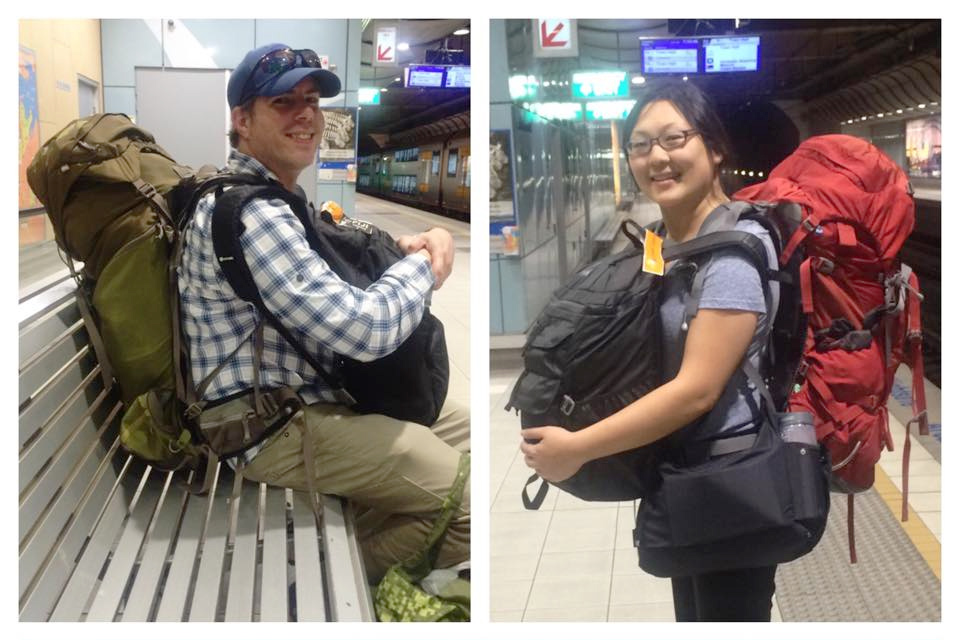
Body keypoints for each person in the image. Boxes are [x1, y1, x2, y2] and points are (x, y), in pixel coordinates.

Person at [178, 43, 469, 584]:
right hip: (263, 427)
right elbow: (365, 330)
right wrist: (427, 266)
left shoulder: (275, 197)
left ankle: (375, 544)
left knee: (463, 428)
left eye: (312, 100)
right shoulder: (252, 215)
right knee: (465, 497)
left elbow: (335, 275)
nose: (306, 114)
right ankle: (320, 587)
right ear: (242, 120)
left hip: (302, 397)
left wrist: (401, 252)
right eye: (284, 102)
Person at [520, 80, 780, 621]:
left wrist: (580, 447)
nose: (656, 157)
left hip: (729, 478)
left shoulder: (730, 258)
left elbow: (695, 391)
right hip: (683, 468)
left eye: (673, 139)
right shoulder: (666, 240)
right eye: (640, 145)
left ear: (714, 148)